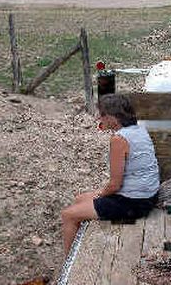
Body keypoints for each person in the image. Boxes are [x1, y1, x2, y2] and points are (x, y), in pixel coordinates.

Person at [61, 94, 159, 255]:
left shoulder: (119, 139)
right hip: (148, 196)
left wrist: (100, 195)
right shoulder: (138, 129)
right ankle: (78, 248)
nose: (100, 117)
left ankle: (67, 267)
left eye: (103, 114)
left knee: (68, 215)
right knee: (79, 199)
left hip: (134, 203)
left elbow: (114, 185)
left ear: (115, 117)